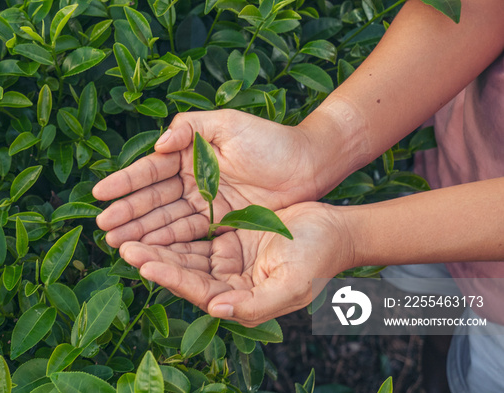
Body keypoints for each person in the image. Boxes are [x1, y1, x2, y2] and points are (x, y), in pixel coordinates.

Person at [92, 0, 504, 391]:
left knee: (481, 368)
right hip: (449, 175)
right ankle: (437, 367)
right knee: (436, 310)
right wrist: (318, 147)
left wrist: (350, 238)